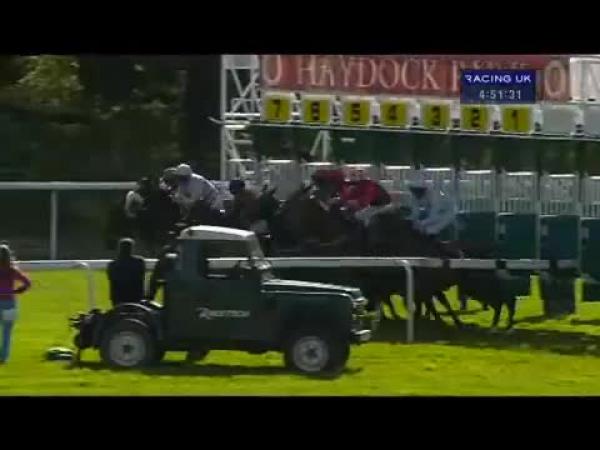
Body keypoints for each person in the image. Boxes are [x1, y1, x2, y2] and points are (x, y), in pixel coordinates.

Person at [0, 244, 31, 363]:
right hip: (9, 302)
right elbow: (27, 282)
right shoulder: (12, 270)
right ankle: (4, 357)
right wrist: (19, 290)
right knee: (7, 333)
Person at [107, 238, 146, 307]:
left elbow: (111, 278)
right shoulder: (139, 262)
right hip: (136, 296)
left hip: (118, 297)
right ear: (132, 249)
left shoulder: (113, 264)